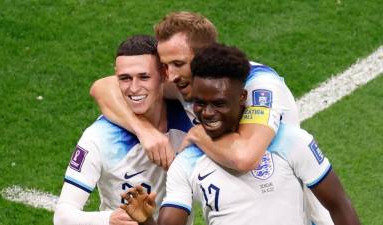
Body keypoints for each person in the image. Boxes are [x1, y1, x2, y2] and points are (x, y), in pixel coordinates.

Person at [90, 11, 332, 224]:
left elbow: (245, 156)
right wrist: (145, 130)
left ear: (206, 56)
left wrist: (198, 135)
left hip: (292, 213)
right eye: (164, 66)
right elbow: (103, 87)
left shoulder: (259, 86)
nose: (170, 76)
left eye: (178, 63)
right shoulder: (186, 80)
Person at [120, 43, 361, 225]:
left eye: (219, 103)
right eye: (200, 103)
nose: (208, 113)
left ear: (242, 98)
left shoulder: (292, 142)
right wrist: (145, 220)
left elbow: (339, 206)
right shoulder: (186, 162)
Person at [53, 35, 192, 225]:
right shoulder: (99, 138)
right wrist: (109, 219)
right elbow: (62, 216)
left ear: (164, 74)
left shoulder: (191, 115)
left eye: (144, 77)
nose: (134, 88)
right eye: (125, 78)